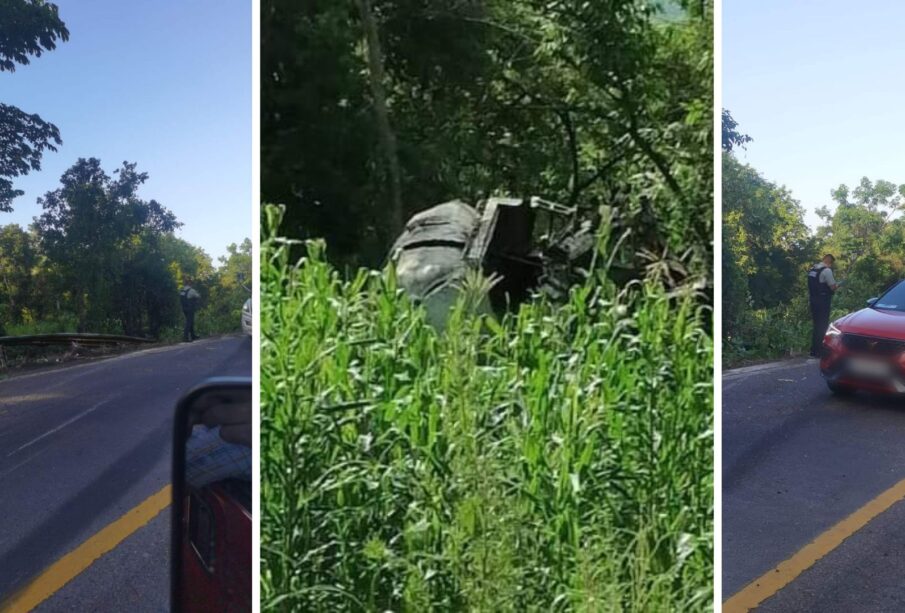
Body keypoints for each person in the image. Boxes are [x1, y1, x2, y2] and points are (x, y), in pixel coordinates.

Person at [807, 254, 839, 358]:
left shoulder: (813, 270)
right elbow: (832, 287)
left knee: (816, 325)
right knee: (822, 325)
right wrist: (838, 285)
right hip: (823, 301)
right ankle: (818, 351)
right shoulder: (827, 271)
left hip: (813, 300)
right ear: (830, 262)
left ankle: (813, 349)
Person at [179, 277, 201, 342]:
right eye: (192, 283)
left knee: (190, 321)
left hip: (184, 308)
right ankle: (185, 337)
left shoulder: (182, 290)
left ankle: (193, 335)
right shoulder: (191, 290)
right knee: (189, 322)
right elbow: (198, 296)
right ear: (190, 283)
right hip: (190, 308)